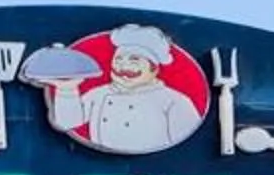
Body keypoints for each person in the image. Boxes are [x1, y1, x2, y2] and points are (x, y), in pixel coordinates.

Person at [53, 25, 205, 157]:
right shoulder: (99, 94)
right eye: (118, 59)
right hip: (98, 165)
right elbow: (68, 122)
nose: (123, 66)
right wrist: (67, 90)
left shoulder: (173, 101)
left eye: (134, 60)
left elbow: (191, 148)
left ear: (154, 68)